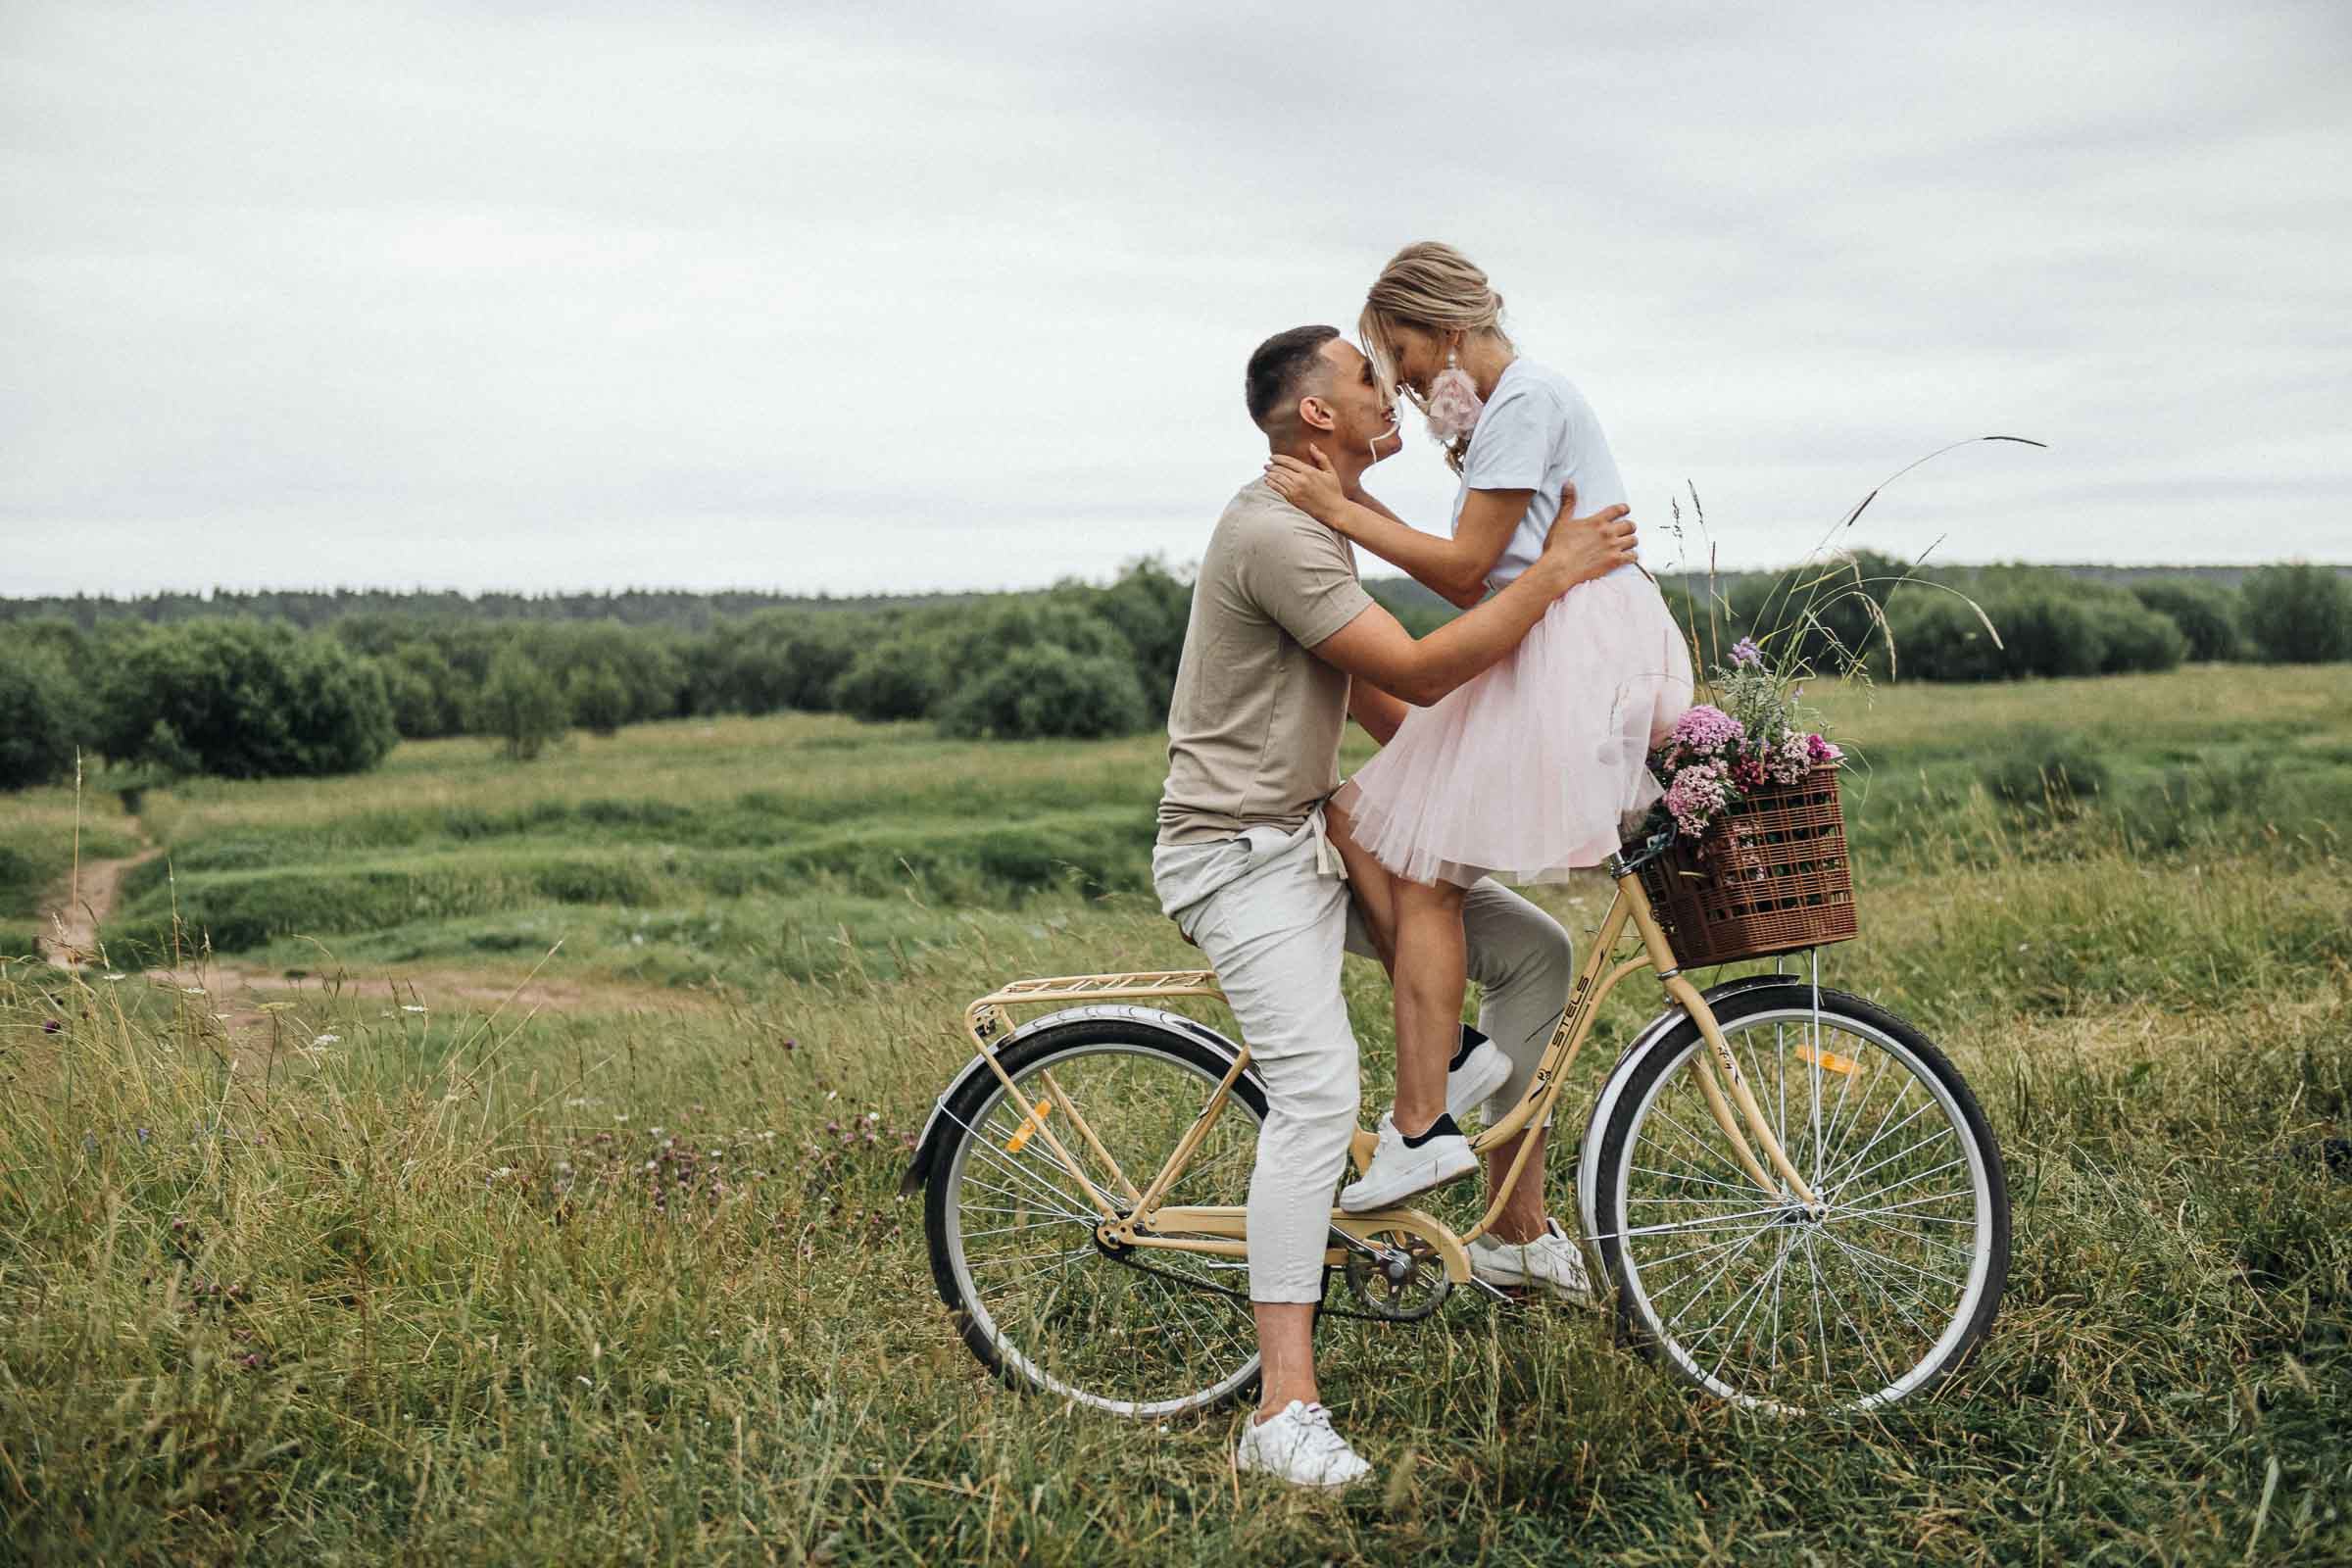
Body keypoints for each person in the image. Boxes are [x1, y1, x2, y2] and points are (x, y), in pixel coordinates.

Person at [1154, 322, 1637, 1489]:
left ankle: (1512, 1236)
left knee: (1532, 958)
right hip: (1239, 855)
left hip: (1319, 832)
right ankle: (1281, 1412)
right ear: (1317, 414)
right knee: (1318, 1092)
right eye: (1369, 377)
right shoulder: (1274, 533)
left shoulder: (1321, 532)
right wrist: (1560, 572)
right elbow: (1423, 671)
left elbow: (1389, 712)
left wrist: (1560, 782)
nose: (1396, 393)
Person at [1263, 243, 1692, 1216]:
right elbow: (1478, 573)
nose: (1406, 379)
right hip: (1557, 640)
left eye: (1405, 351)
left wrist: (1341, 506)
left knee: (1415, 863)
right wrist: (1348, 498)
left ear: (1449, 332)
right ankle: (1450, 1091)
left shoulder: (1525, 401)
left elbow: (1465, 573)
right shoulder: (1517, 404)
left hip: (1565, 649)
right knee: (1398, 843)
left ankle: (1425, 1115)